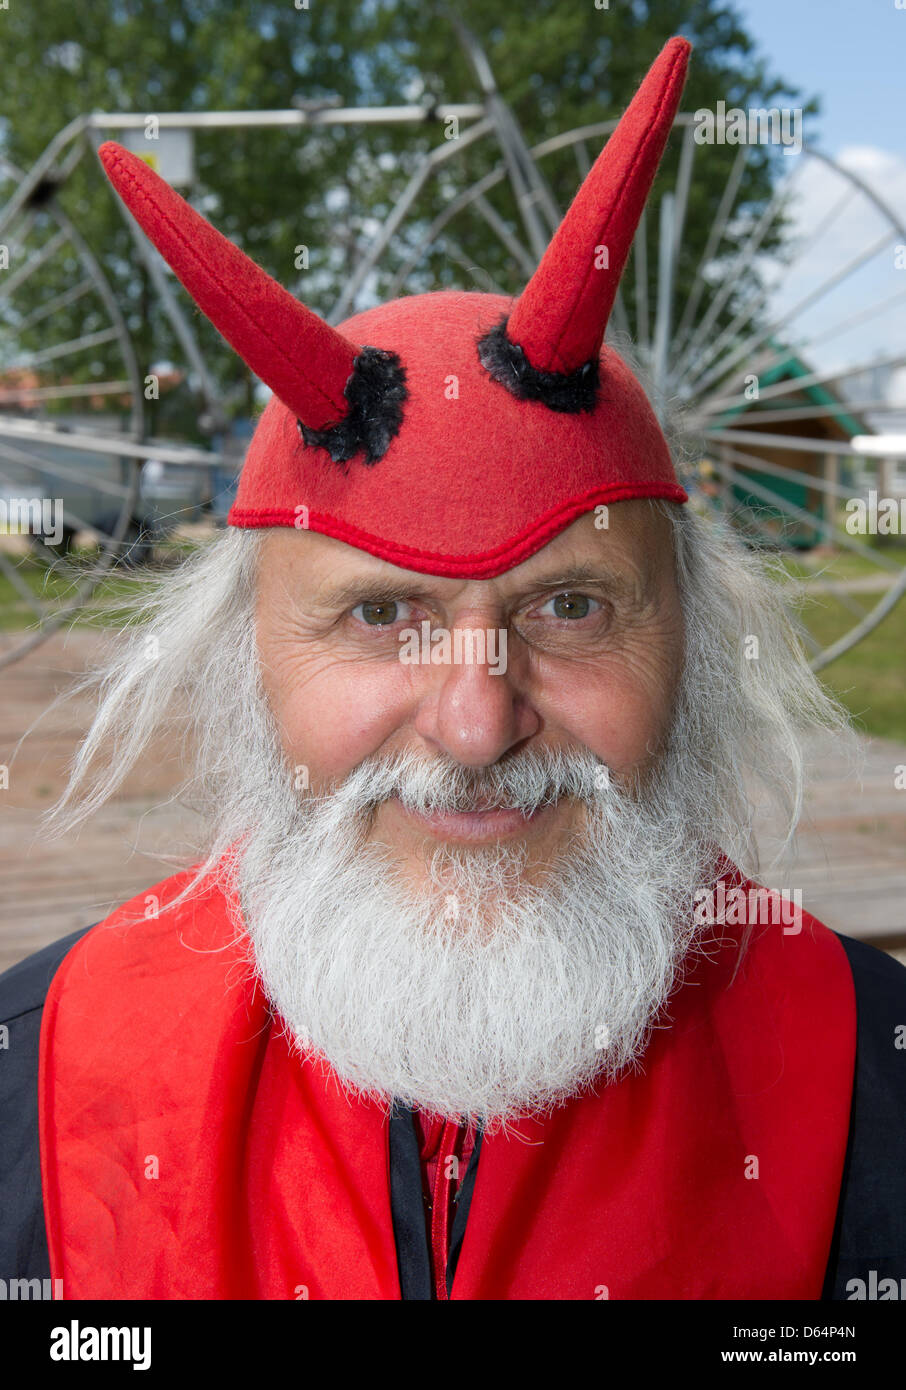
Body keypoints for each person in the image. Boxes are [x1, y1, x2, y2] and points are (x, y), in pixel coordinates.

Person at [1, 37, 903, 1301]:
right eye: (379, 615)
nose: (478, 726)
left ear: (696, 653)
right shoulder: (41, 1077)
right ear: (243, 662)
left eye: (573, 607)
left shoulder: (872, 1077)